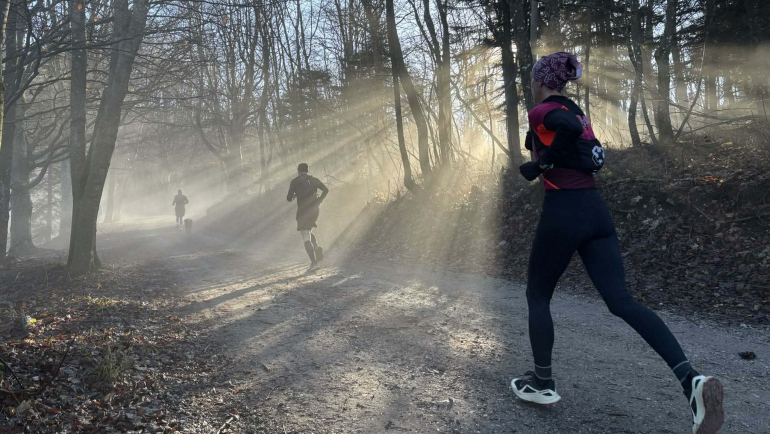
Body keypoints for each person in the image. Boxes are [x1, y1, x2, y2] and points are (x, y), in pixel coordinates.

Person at [511, 52, 724, 434]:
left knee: (538, 296)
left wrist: (539, 166)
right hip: (597, 212)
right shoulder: (578, 111)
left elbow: (565, 135)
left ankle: (542, 383)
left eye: (532, 79)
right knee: (621, 301)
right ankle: (691, 381)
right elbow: (576, 137)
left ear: (541, 80)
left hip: (565, 211)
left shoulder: (543, 111)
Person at [287, 163, 328, 273]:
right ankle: (316, 247)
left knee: (305, 236)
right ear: (307, 170)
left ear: (298, 171)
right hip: (315, 209)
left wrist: (295, 194)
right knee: (308, 231)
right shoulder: (313, 179)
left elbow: (288, 198)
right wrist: (319, 200)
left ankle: (314, 264)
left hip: (303, 211)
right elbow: (326, 190)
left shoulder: (295, 181)